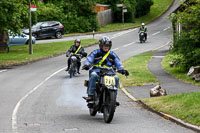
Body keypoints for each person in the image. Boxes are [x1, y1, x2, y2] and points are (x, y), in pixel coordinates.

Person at [82, 36, 129, 101]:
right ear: (101, 45)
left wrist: (122, 70)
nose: (106, 47)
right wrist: (86, 65)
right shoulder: (95, 53)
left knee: (116, 78)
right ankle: (91, 95)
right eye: (104, 45)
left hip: (109, 73)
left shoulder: (112, 54)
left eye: (108, 45)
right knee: (93, 75)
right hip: (97, 71)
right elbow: (89, 59)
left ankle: (114, 98)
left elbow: (118, 63)